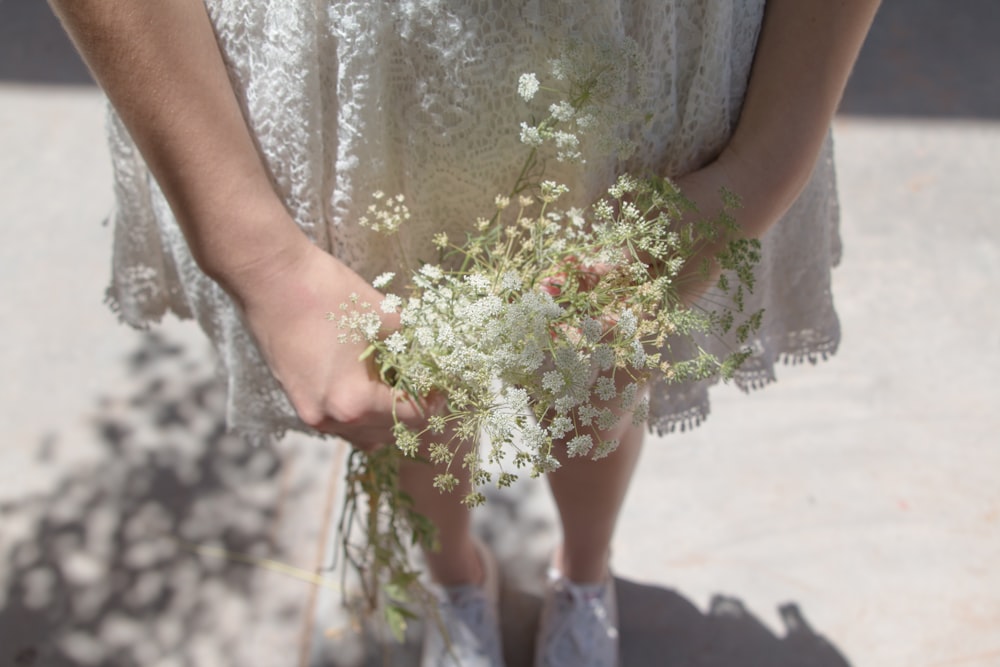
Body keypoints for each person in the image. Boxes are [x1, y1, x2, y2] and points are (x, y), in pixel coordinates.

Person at [50, 1, 880, 666]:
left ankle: (584, 573)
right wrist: (258, 255)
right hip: (366, 80)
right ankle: (455, 578)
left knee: (599, 379)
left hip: (628, 58)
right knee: (402, 387)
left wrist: (769, 156)